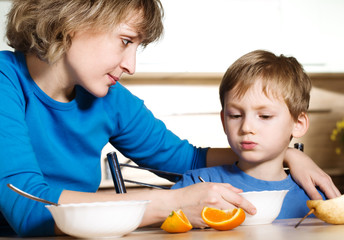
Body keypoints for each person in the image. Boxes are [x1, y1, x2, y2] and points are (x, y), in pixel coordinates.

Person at [0, 0, 339, 237]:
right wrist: (171, 202)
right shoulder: (5, 81)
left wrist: (288, 154)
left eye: (138, 47)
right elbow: (31, 209)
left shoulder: (111, 99)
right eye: (125, 41)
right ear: (72, 20)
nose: (131, 65)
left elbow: (184, 159)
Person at [172, 50, 332, 219]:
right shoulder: (196, 184)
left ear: (298, 124)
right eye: (235, 115)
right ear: (223, 120)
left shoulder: (317, 198)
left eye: (265, 116)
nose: (246, 127)